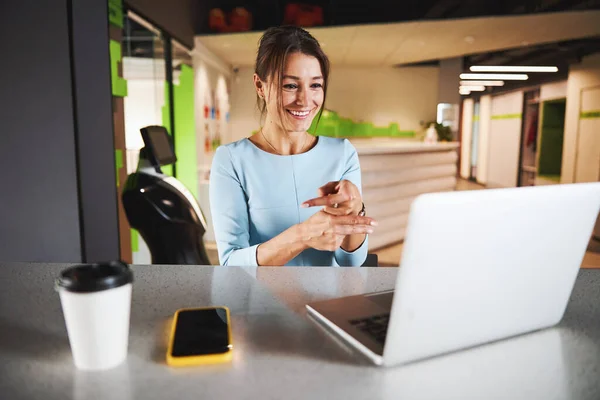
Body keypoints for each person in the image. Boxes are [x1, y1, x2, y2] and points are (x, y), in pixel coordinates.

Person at [209, 26, 377, 267]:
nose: (305, 100)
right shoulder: (231, 160)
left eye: (315, 85)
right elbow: (231, 263)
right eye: (290, 85)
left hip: (329, 303)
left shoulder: (343, 153)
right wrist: (302, 236)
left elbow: (352, 263)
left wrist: (355, 210)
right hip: (263, 303)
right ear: (260, 86)